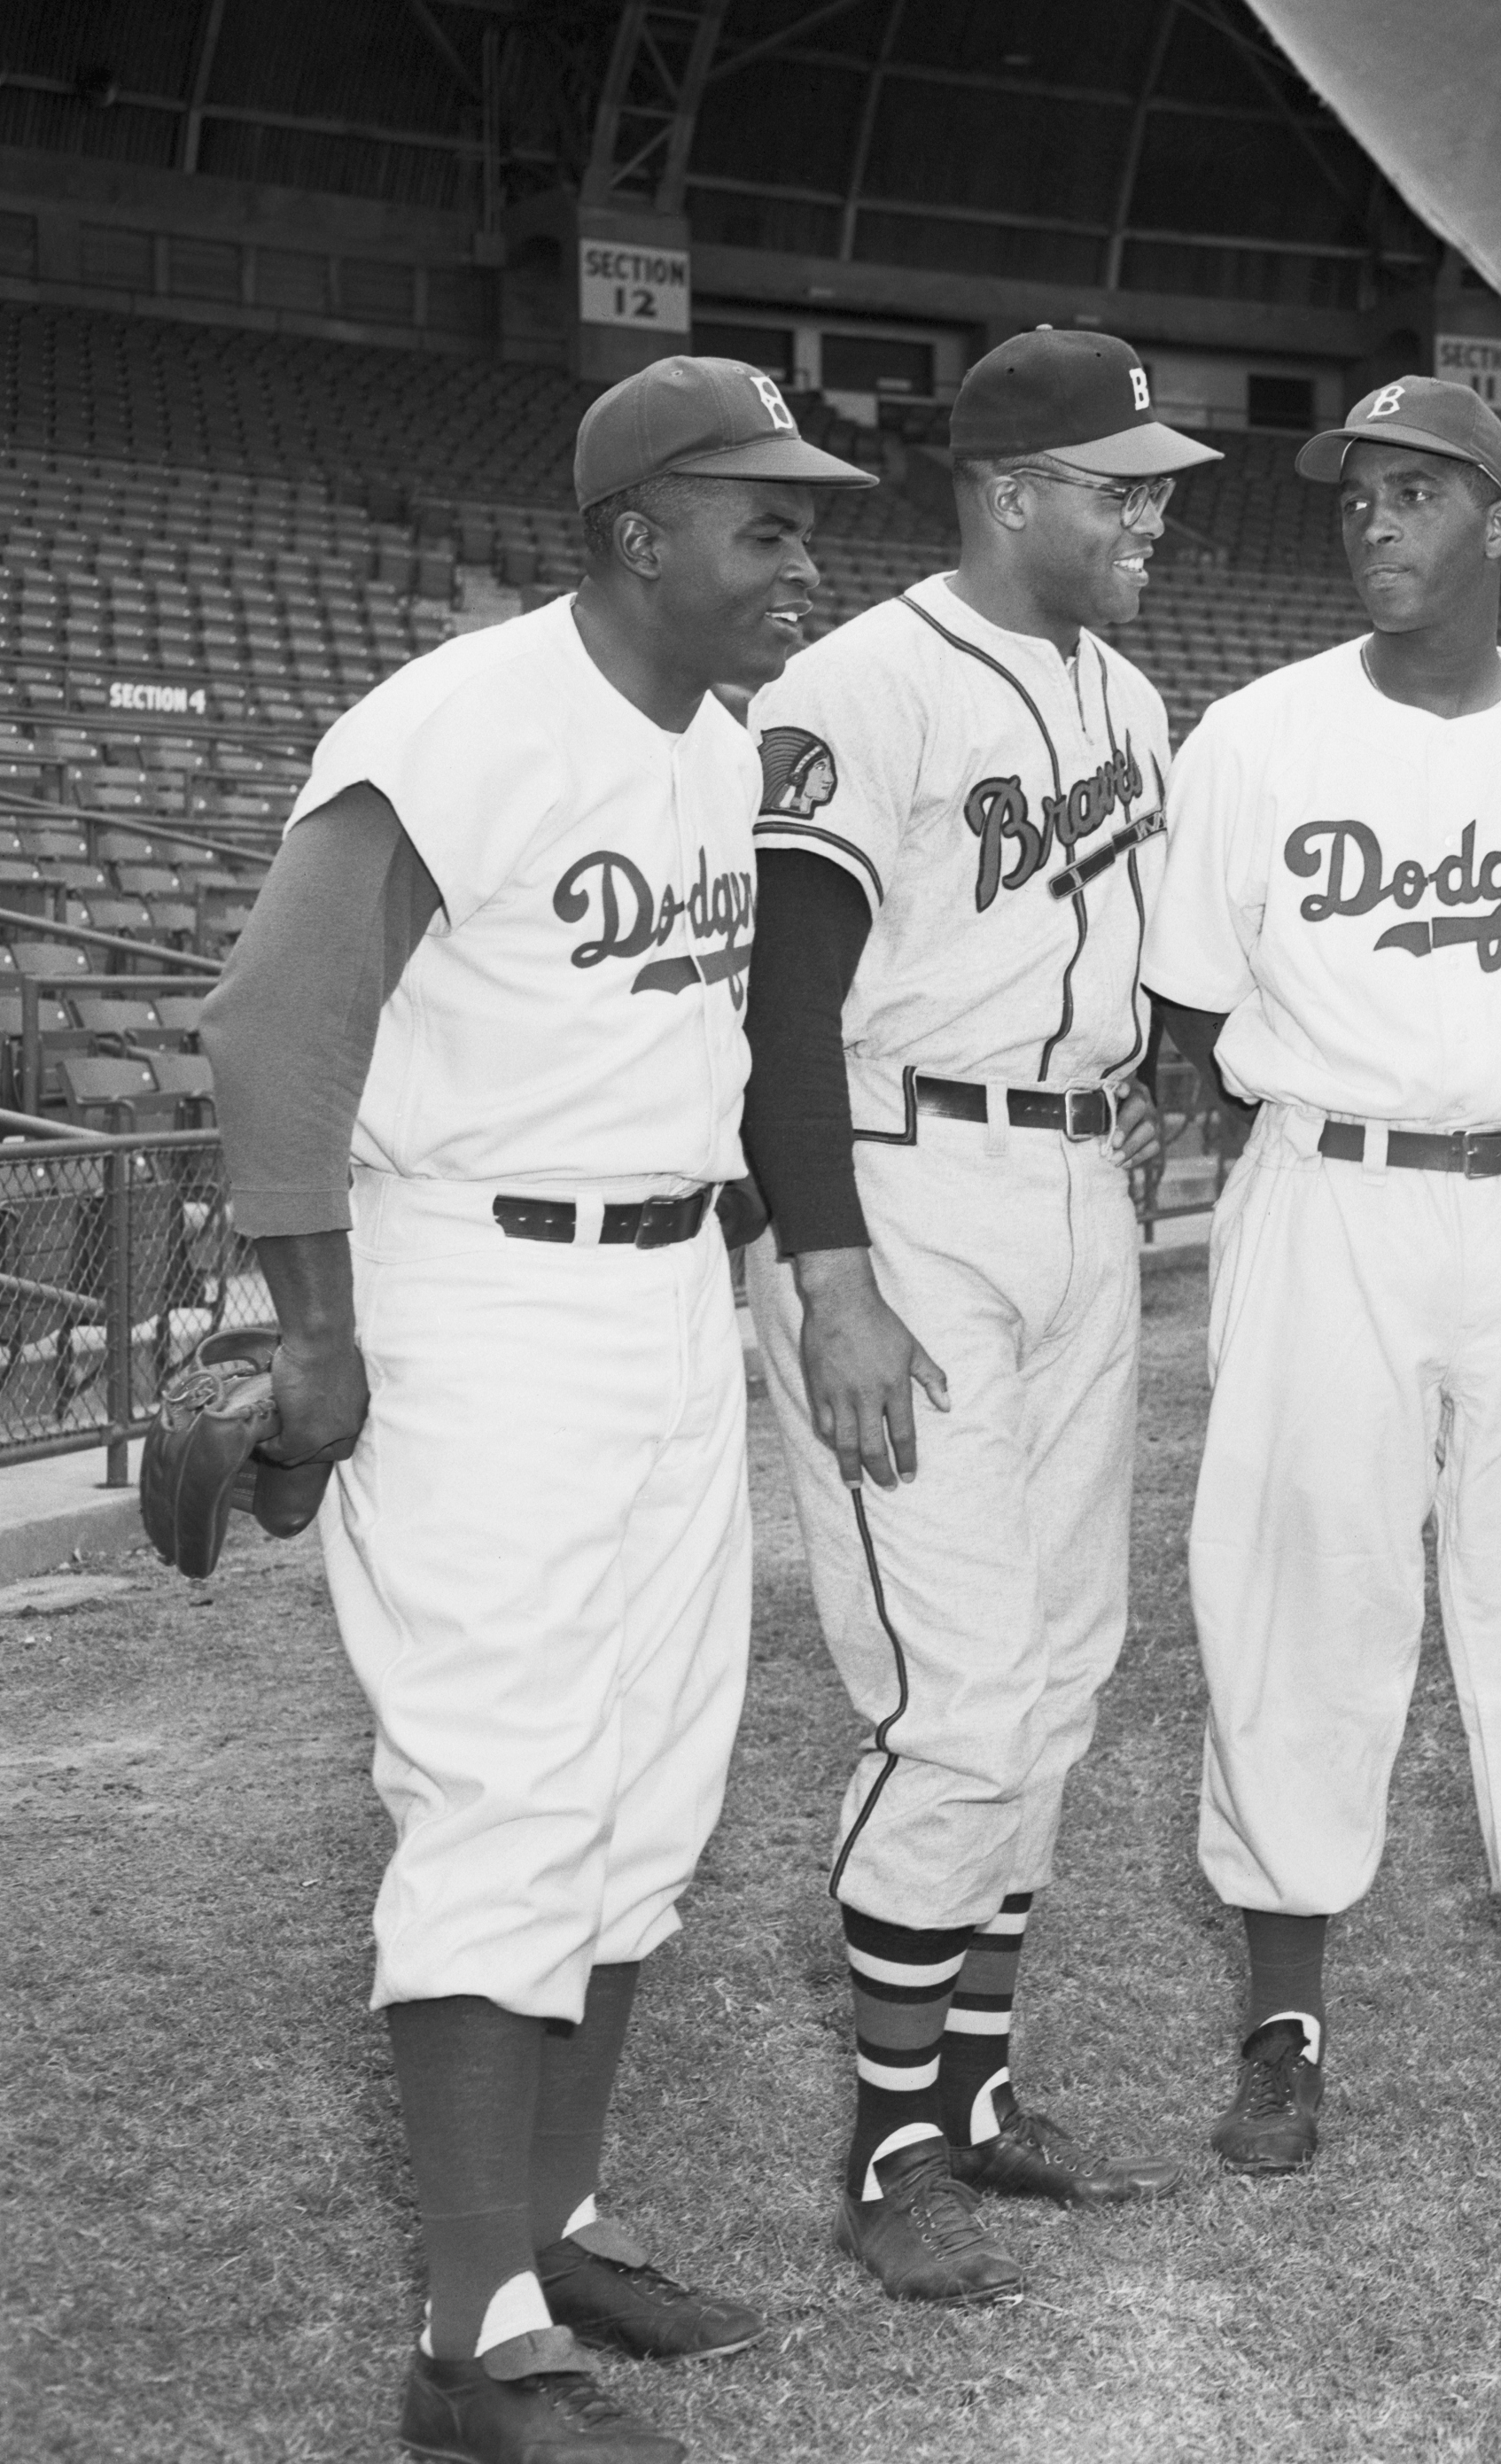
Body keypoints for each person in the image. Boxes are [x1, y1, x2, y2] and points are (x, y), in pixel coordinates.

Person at [200, 357, 871, 2464]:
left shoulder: (714, 748)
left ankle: (553, 2226)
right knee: (502, 1791)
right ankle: (469, 2345)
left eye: (806, 519)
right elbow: (269, 1025)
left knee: (645, 1796)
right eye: (761, 522)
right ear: (633, 533)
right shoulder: (461, 723)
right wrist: (317, 1339)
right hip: (479, 1290)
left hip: (662, 1288)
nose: (801, 558)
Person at [1138, 377, 1501, 2174]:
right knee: (1303, 1584)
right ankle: (1285, 2020)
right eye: (1357, 494)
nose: (1374, 521)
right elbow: (1192, 1009)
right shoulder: (1252, 741)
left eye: (1417, 493)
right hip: (1336, 1193)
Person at [736, 328, 1209, 2303]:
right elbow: (777, 1008)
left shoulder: (1130, 689)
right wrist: (830, 1271)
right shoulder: (863, 683)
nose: (1154, 509)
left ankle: (984, 2096)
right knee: (957, 1698)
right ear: (1012, 490)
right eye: (1119, 483)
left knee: (1065, 1672)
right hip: (897, 1186)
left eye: (1156, 480)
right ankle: (888, 2145)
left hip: (1072, 1189)